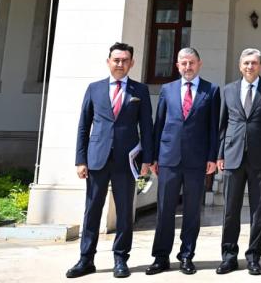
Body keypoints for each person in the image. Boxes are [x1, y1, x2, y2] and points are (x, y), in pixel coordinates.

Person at [67, 42, 154, 279]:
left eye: (125, 60)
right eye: (116, 60)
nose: (120, 64)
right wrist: (80, 160)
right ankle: (86, 259)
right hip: (97, 159)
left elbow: (147, 126)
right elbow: (84, 126)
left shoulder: (140, 90)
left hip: (127, 161)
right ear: (108, 62)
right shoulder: (94, 88)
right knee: (92, 210)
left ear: (132, 63)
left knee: (125, 212)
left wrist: (147, 159)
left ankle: (120, 259)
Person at [146, 48, 220, 276]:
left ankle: (187, 255)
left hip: (197, 160)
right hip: (168, 158)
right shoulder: (167, 89)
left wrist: (212, 157)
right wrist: (154, 157)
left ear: (199, 64)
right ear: (177, 66)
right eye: (184, 63)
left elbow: (213, 127)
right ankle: (161, 257)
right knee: (165, 209)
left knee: (192, 211)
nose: (188, 67)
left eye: (192, 63)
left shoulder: (211, 90)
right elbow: (159, 124)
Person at [216, 48, 261, 276]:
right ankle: (228, 256)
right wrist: (220, 154)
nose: (250, 67)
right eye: (246, 63)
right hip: (233, 156)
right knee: (230, 210)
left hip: (260, 158)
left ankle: (254, 257)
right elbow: (223, 124)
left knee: (258, 211)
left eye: (254, 63)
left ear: (260, 65)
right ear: (240, 65)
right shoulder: (229, 90)